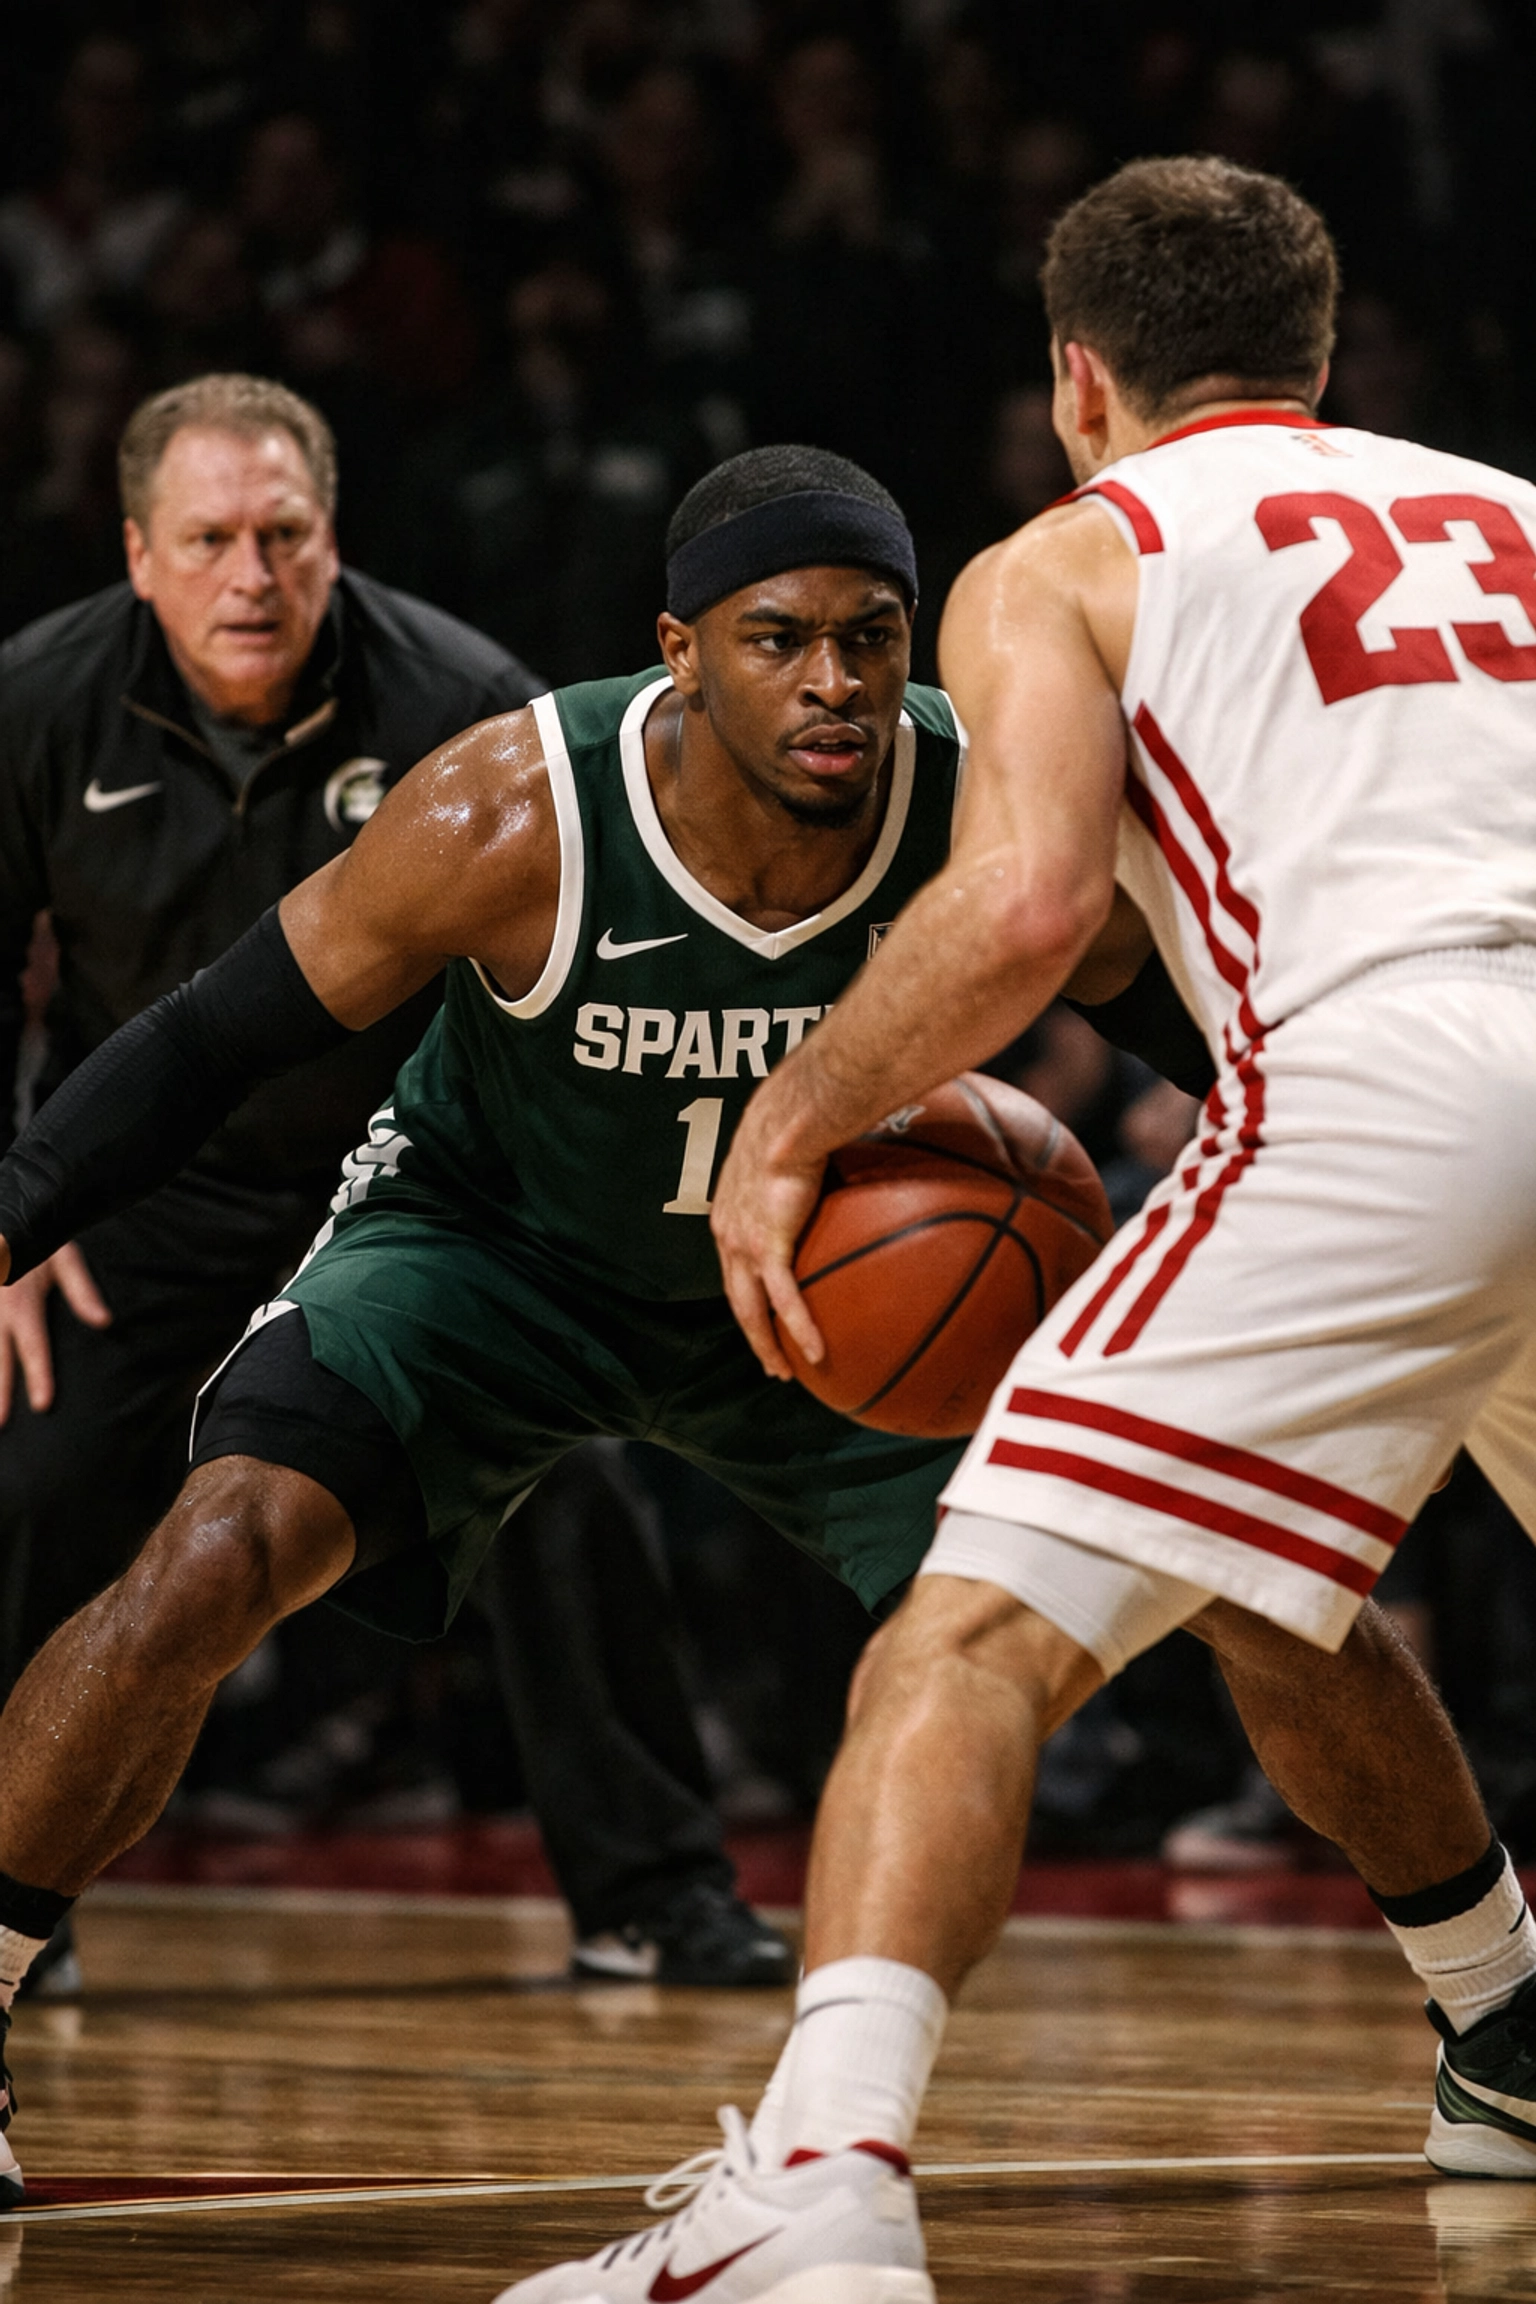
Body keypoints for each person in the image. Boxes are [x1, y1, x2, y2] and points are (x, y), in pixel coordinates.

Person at [506, 158, 1536, 2299]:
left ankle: (825, 2184)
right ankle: (1513, 2038)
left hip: (1394, 1083)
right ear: (1324, 356)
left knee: (965, 1645)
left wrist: (796, 1118)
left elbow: (1031, 905)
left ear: (1081, 378)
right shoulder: (1516, 510)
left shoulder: (1078, 554)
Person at [0, 369, 783, 2008]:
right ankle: (21, 1903)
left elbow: (559, 992)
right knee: (43, 1468)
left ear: (331, 536)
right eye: (208, 539)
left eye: (283, 535)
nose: (251, 575)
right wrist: (19, 1217)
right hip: (143, 1193)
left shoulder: (459, 696)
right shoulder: (37, 701)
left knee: (569, 1489)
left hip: (409, 1190)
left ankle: (650, 1893)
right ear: (136, 554)